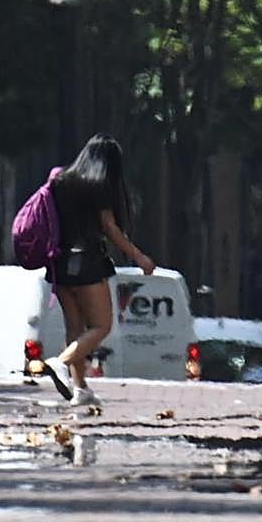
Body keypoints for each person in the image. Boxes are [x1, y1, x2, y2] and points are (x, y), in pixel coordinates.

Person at [42, 134, 155, 406]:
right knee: (101, 326)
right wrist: (140, 257)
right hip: (87, 263)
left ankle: (80, 388)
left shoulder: (60, 181)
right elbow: (110, 228)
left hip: (59, 263)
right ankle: (61, 362)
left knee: (75, 328)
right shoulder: (98, 186)